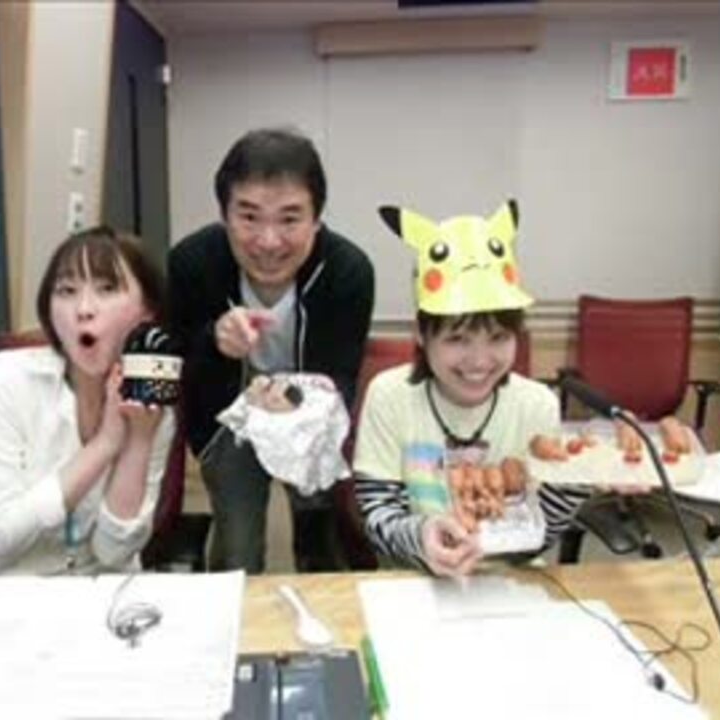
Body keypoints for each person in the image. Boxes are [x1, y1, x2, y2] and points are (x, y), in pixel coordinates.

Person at [168, 127, 375, 573]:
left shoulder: (347, 271)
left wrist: (295, 403)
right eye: (249, 217)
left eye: (289, 219)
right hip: (228, 418)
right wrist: (215, 340)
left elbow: (342, 374)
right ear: (224, 215)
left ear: (317, 218)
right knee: (237, 547)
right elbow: (178, 361)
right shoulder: (192, 263)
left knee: (320, 539)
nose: (268, 241)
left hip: (312, 417)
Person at [354, 201, 591, 576]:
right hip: (411, 581)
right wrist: (425, 537)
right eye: (458, 339)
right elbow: (378, 515)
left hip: (510, 581)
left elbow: (539, 532)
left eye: (498, 337)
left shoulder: (537, 404)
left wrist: (580, 481)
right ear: (421, 334)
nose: (479, 362)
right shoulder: (389, 396)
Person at [0, 227, 174, 576]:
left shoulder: (150, 408)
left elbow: (114, 553)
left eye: (107, 289)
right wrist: (106, 444)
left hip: (92, 593)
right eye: (66, 291)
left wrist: (138, 440)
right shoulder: (3, 379)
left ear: (147, 312)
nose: (84, 309)